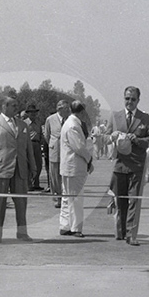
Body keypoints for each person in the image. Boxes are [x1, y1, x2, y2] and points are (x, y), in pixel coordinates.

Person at [0, 96, 36, 243]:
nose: (16, 108)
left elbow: (28, 148)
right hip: (0, 169)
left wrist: (33, 166)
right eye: (13, 105)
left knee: (21, 203)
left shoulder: (23, 125)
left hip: (20, 169)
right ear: (4, 107)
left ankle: (22, 232)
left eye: (17, 105)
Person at [107, 86, 149, 245]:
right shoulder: (115, 117)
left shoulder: (146, 119)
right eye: (127, 98)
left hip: (137, 166)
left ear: (138, 100)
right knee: (120, 199)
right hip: (119, 165)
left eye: (133, 99)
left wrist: (136, 139)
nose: (129, 102)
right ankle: (121, 232)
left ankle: (131, 234)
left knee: (134, 200)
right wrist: (111, 137)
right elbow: (105, 138)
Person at [59, 100, 94, 237]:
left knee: (67, 198)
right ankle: (75, 228)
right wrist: (89, 159)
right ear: (82, 112)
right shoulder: (73, 125)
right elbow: (79, 147)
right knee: (76, 199)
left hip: (68, 167)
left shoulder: (69, 123)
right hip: (74, 167)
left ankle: (65, 225)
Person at [44, 100, 70, 208]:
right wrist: (53, 144)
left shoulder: (70, 119)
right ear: (59, 109)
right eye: (66, 109)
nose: (68, 110)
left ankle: (66, 197)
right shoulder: (50, 119)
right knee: (54, 175)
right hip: (54, 150)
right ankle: (57, 198)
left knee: (65, 175)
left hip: (66, 151)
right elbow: (47, 135)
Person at [24, 103, 44, 190]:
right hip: (28, 144)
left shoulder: (38, 123)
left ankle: (36, 183)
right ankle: (29, 184)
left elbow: (41, 134)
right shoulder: (25, 123)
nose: (33, 114)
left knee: (39, 164)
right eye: (31, 113)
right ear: (28, 113)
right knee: (29, 164)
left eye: (34, 112)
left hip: (37, 144)